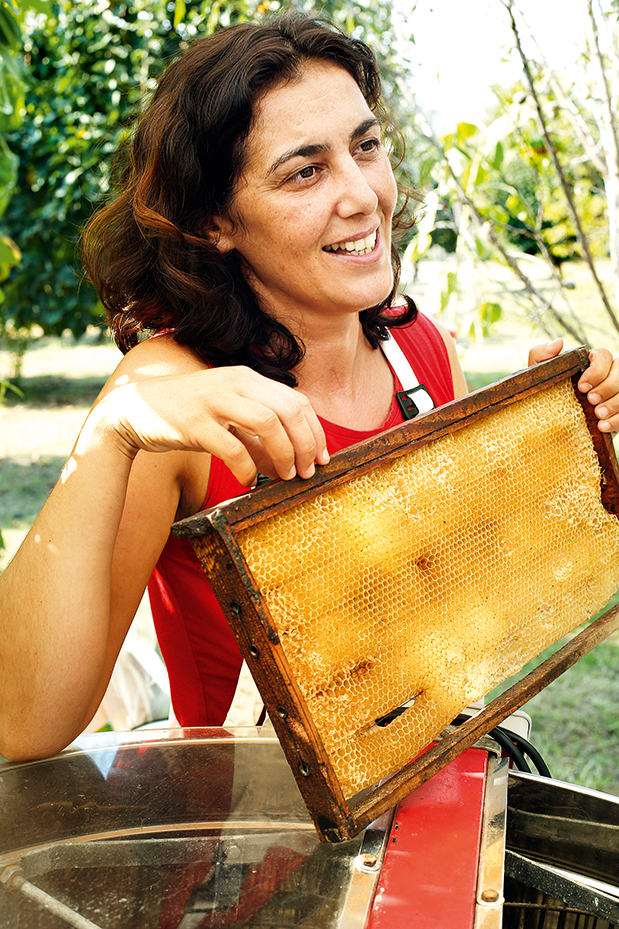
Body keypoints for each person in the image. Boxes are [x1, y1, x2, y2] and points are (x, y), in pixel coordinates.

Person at [1, 14, 618, 763]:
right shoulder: (170, 391)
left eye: (365, 147)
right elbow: (23, 723)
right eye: (305, 170)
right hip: (262, 849)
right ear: (215, 220)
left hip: (442, 803)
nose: (362, 195)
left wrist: (552, 440)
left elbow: (457, 608)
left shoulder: (420, 350)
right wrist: (112, 430)